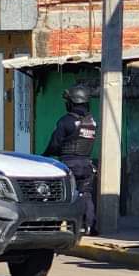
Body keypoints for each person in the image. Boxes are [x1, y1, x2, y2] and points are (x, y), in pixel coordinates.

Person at [43, 85, 98, 236]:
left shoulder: (65, 121)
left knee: (63, 196)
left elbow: (55, 144)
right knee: (85, 195)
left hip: (68, 165)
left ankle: (57, 227)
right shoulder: (92, 122)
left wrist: (44, 155)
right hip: (87, 165)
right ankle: (89, 227)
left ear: (71, 103)